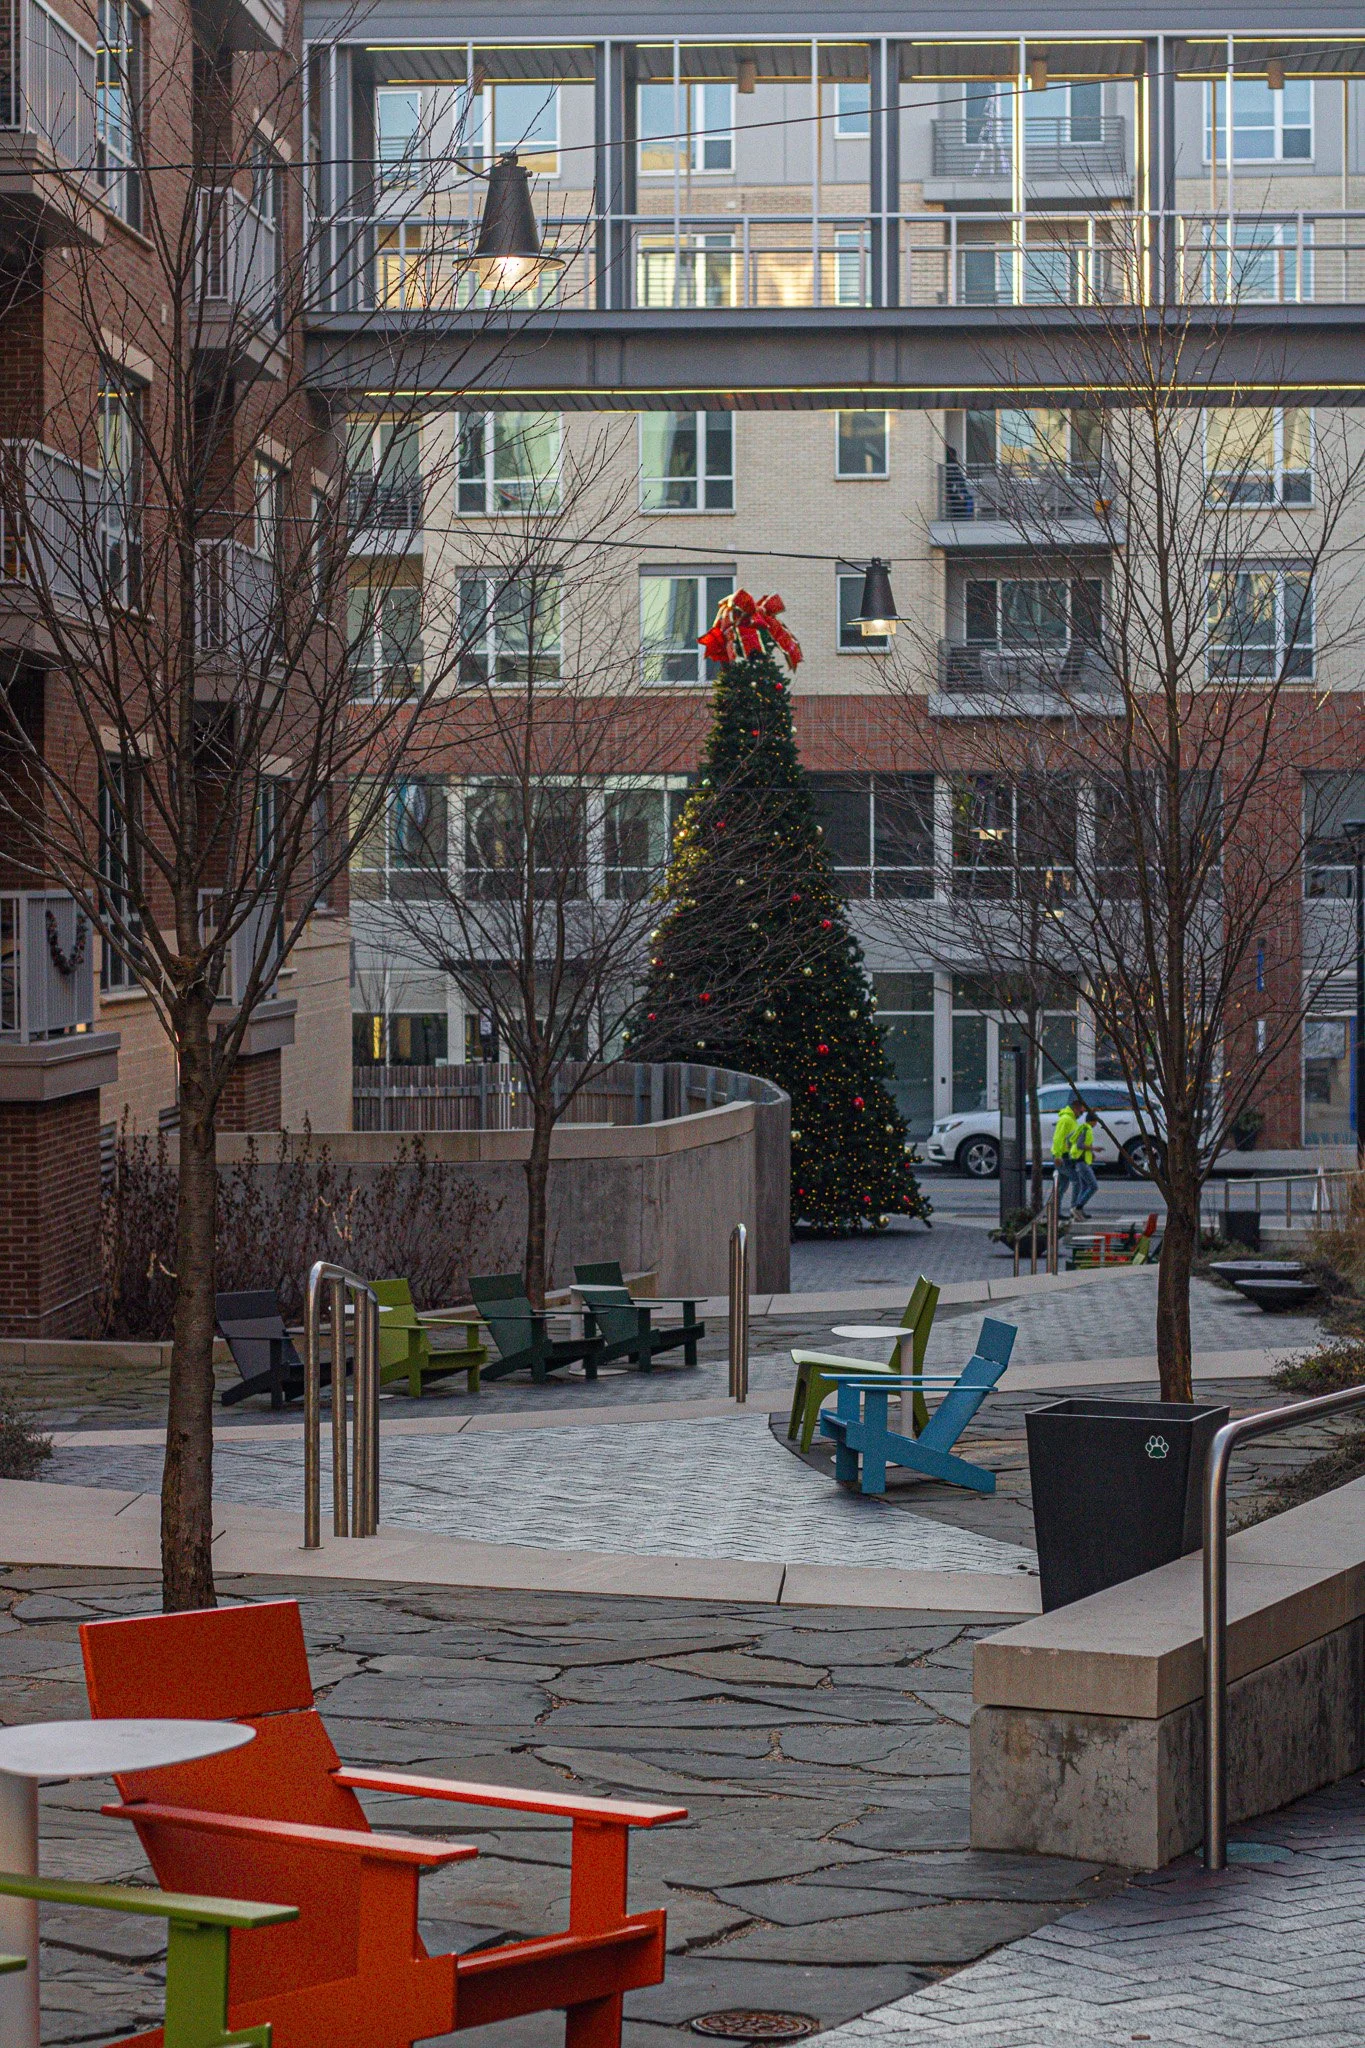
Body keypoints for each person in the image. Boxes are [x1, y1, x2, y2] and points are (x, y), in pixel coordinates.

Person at [1051, 1095, 1079, 1218]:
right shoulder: (1066, 1120)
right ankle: (1075, 1209)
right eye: (1081, 1109)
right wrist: (1057, 1155)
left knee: (1062, 1186)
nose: (1083, 1112)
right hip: (1062, 1157)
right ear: (1075, 1108)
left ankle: (1055, 1212)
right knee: (1076, 1181)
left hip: (1066, 1156)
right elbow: (1058, 1138)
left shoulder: (1072, 1120)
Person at [1070, 1099, 1099, 1218]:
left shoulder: (1086, 1128)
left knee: (1085, 1186)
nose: (1097, 1123)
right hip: (1081, 1162)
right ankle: (1078, 1207)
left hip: (1082, 1161)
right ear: (1093, 1121)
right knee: (1093, 1186)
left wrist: (1091, 1153)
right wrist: (1094, 1149)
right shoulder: (1086, 1129)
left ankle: (1078, 1210)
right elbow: (1080, 1145)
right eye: (1096, 1121)